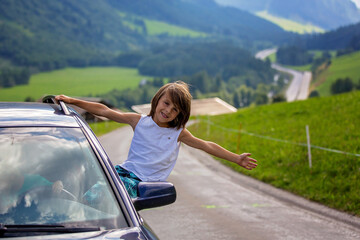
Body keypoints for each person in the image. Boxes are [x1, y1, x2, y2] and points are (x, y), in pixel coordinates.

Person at [55, 81, 257, 198]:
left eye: (175, 109)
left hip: (143, 183)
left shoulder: (178, 133)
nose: (168, 110)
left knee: (100, 196)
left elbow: (206, 145)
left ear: (180, 114)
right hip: (124, 172)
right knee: (82, 178)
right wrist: (72, 101)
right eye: (166, 103)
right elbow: (105, 111)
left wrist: (236, 158)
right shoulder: (139, 121)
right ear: (158, 99)